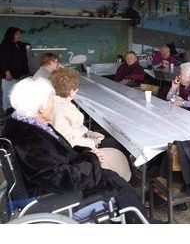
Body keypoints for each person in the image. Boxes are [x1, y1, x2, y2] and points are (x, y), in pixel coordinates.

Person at [1, 77, 149, 223]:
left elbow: (57, 155)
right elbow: (60, 179)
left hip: (58, 182)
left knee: (112, 176)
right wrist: (91, 159)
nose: (54, 104)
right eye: (52, 101)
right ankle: (141, 223)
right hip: (57, 196)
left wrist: (85, 153)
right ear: (41, 107)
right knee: (114, 182)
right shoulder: (29, 139)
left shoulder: (24, 124)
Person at [50, 68, 131, 182]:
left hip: (84, 142)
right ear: (72, 91)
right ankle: (124, 181)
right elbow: (67, 141)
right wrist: (90, 142)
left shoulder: (59, 103)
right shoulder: (59, 110)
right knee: (119, 145)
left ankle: (126, 177)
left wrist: (89, 132)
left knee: (116, 142)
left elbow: (75, 128)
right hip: (81, 151)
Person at [0, 27, 30, 111]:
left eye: (19, 34)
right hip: (9, 73)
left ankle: (14, 109)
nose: (19, 36)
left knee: (16, 92)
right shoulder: (5, 44)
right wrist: (7, 72)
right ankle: (7, 109)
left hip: (18, 73)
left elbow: (26, 44)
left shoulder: (18, 44)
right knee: (8, 92)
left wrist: (28, 46)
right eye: (17, 34)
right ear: (11, 34)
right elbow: (3, 59)